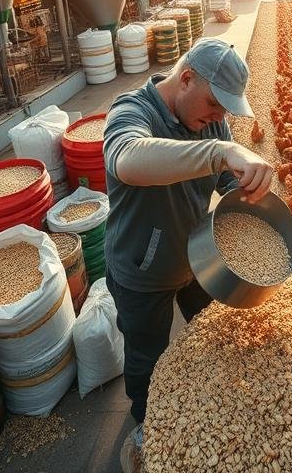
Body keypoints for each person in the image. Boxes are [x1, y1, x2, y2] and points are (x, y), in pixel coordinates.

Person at [102, 38, 273, 472]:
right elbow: (127, 160)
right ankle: (148, 425)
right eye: (215, 104)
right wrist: (219, 153)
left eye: (225, 111)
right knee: (147, 358)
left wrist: (248, 187)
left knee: (210, 336)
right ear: (186, 79)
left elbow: (227, 185)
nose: (219, 118)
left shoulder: (210, 122)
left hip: (197, 261)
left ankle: (201, 405)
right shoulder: (132, 112)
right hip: (142, 270)